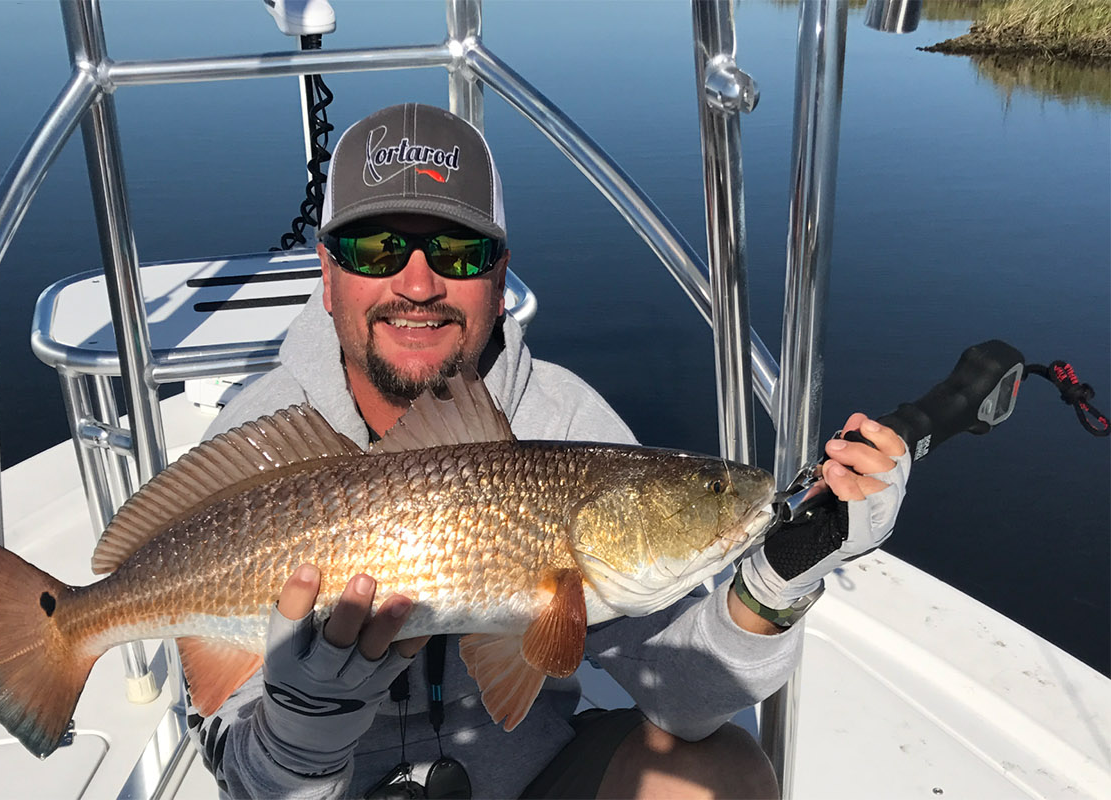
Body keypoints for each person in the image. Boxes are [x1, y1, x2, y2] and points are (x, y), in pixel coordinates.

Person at [187, 103, 911, 799]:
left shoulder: (565, 421)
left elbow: (687, 702)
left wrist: (780, 575)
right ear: (327, 274)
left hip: (529, 779)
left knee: (720, 775)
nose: (416, 283)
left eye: (458, 251)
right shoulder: (254, 448)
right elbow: (247, 783)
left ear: (499, 278)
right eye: (374, 248)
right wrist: (300, 734)